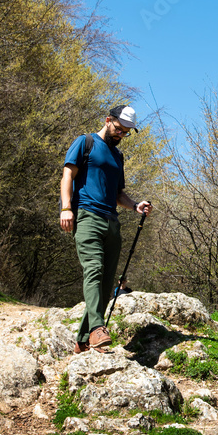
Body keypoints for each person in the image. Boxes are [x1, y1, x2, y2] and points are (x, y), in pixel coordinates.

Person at [60, 105, 152, 354]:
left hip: (112, 221)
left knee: (106, 283)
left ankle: (83, 339)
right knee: (94, 269)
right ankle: (98, 328)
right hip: (87, 216)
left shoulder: (117, 157)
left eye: (126, 133)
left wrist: (135, 206)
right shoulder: (85, 142)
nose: (121, 135)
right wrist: (66, 208)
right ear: (108, 120)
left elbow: (118, 193)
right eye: (119, 129)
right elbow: (68, 175)